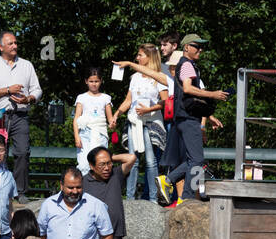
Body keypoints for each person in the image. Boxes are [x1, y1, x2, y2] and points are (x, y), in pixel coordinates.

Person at [128, 33, 227, 205]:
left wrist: (208, 116)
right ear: (186, 48)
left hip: (180, 120)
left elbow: (177, 89)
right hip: (189, 120)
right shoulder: (188, 65)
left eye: (201, 47)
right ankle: (186, 198)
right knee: (197, 161)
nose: (201, 50)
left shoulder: (179, 72)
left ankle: (168, 181)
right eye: (197, 46)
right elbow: (189, 89)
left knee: (191, 160)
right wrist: (213, 95)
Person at [0, 31, 42, 197]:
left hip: (20, 115)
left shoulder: (27, 65)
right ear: (1, 47)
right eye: (10, 44)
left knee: (22, 152)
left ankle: (20, 192)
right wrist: (7, 90)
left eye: (15, 43)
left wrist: (29, 98)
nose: (15, 46)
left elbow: (37, 90)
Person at [115, 44, 169, 201]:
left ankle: (152, 198)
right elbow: (128, 100)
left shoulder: (158, 77)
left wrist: (149, 109)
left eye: (140, 55)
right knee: (133, 159)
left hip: (151, 121)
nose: (137, 58)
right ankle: (130, 198)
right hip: (134, 121)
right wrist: (117, 114)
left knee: (151, 161)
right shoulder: (135, 77)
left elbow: (166, 102)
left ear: (149, 57)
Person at [73, 66, 114, 175]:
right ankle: (84, 189)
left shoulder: (106, 98)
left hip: (100, 133)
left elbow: (110, 118)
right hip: (85, 133)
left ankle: (99, 189)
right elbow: (77, 118)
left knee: (100, 163)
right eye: (91, 81)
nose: (94, 84)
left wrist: (112, 124)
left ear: (101, 81)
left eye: (96, 81)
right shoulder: (81, 97)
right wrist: (77, 136)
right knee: (83, 164)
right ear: (86, 81)